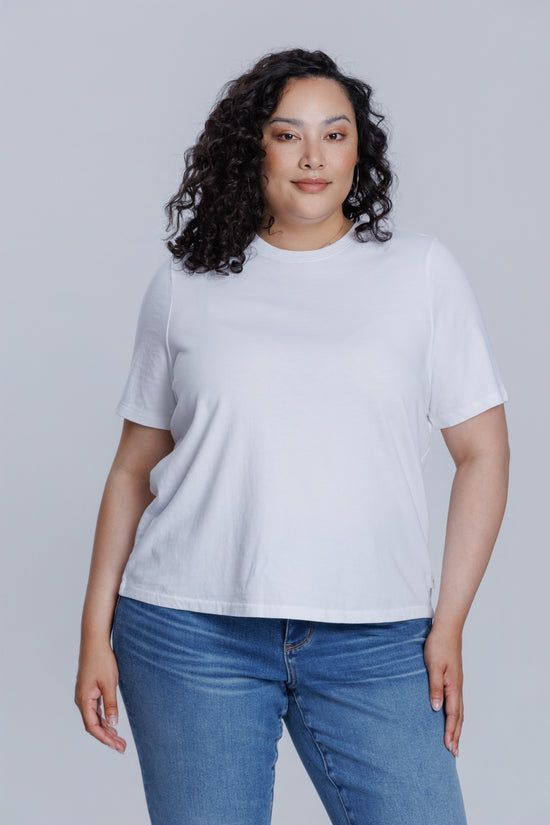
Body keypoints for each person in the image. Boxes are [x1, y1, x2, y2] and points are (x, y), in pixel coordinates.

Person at [74, 48, 510, 825]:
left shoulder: (421, 274)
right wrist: (93, 635)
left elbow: (483, 451)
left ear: (358, 151)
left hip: (376, 637)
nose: (314, 157)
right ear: (255, 148)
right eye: (288, 134)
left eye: (335, 135)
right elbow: (132, 471)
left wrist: (449, 623)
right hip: (188, 632)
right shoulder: (185, 287)